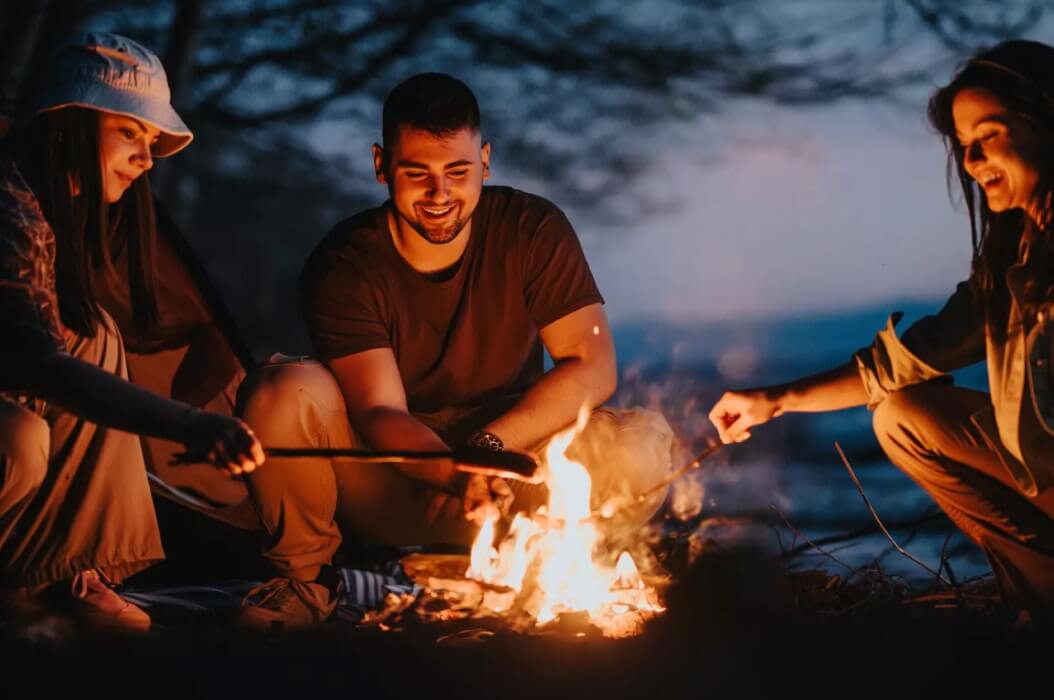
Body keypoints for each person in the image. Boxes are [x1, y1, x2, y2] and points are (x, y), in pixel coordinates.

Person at [237, 72, 673, 628]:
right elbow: (380, 410)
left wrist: (487, 451)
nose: (440, 194)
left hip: (512, 474)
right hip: (393, 478)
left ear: (485, 162)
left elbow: (591, 367)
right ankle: (306, 584)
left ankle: (557, 575)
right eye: (417, 173)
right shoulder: (346, 264)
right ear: (381, 165)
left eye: (457, 172)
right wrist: (455, 472)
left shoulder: (531, 230)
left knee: (641, 448)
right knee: (283, 390)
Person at [707, 40, 1054, 626]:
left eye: (987, 135)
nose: (971, 160)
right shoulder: (1012, 259)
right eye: (962, 146)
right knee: (900, 414)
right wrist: (774, 401)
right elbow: (901, 363)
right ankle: (1040, 597)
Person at [0, 32, 264, 632]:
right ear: (70, 121)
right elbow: (39, 367)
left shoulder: (43, 212)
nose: (146, 160)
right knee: (17, 436)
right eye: (130, 133)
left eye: (150, 143)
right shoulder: (6, 208)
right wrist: (190, 422)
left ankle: (53, 573)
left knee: (94, 334)